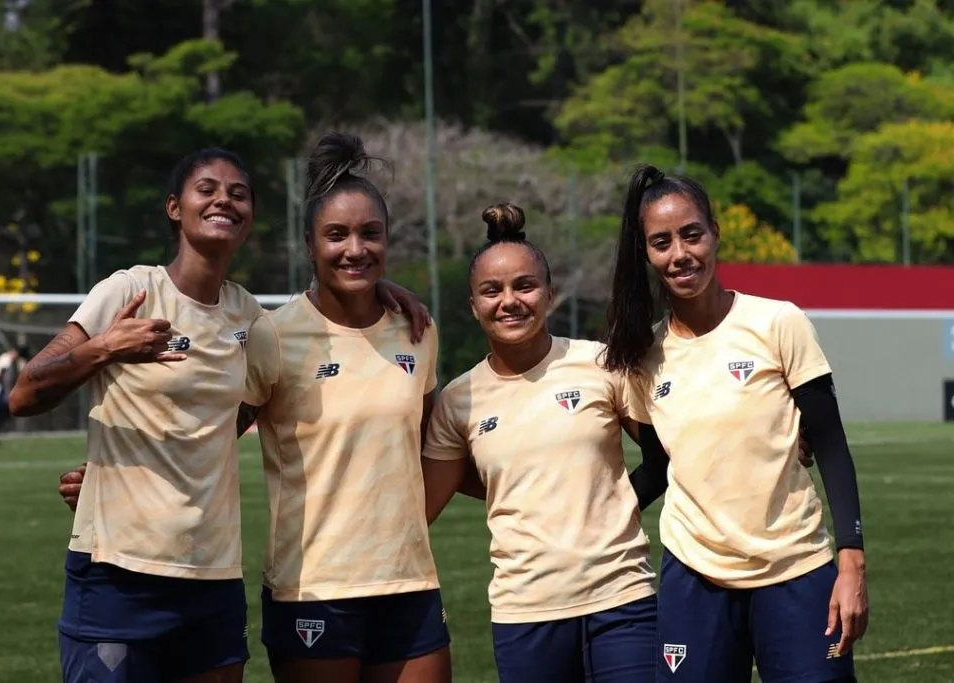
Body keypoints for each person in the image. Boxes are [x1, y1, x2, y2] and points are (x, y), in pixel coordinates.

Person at [13, 147, 428, 683]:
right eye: (206, 189)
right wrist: (104, 349)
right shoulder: (129, 292)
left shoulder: (250, 318)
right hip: (120, 570)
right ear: (173, 208)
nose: (224, 200)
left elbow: (229, 418)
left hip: (213, 576)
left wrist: (378, 288)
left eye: (239, 193)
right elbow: (25, 394)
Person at [604, 164, 869, 683]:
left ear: (714, 233)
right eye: (661, 242)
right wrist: (595, 517)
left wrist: (852, 562)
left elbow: (832, 445)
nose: (680, 253)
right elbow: (658, 467)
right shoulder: (644, 356)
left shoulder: (778, 323)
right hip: (693, 576)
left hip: (795, 568)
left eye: (691, 234)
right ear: (646, 254)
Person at [235, 131, 451, 683]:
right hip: (313, 586)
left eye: (369, 234)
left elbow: (428, 447)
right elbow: (211, 439)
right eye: (337, 235)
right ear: (310, 245)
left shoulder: (417, 330)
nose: (355, 249)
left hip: (408, 583)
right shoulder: (274, 336)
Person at [417, 203, 659, 683]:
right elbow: (421, 505)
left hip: (623, 599)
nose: (509, 301)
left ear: (549, 294)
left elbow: (664, 456)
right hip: (525, 610)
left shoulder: (601, 364)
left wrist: (614, 504)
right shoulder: (458, 399)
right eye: (492, 291)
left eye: (524, 286)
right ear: (473, 306)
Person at [0, 344, 31, 445]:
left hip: (1, 391)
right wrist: (4, 392)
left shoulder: (11, 361)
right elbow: (1, 376)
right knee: (2, 413)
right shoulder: (6, 359)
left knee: (5, 414)